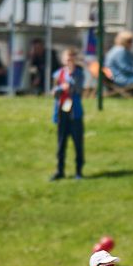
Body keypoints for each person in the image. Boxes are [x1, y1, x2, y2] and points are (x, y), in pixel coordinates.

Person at [51, 48, 85, 181]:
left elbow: (76, 89)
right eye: (67, 57)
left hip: (74, 113)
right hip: (61, 112)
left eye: (72, 57)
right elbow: (54, 91)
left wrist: (68, 83)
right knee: (61, 143)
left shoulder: (79, 74)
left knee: (78, 143)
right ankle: (60, 170)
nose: (69, 60)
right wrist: (60, 89)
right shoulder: (57, 74)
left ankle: (79, 171)